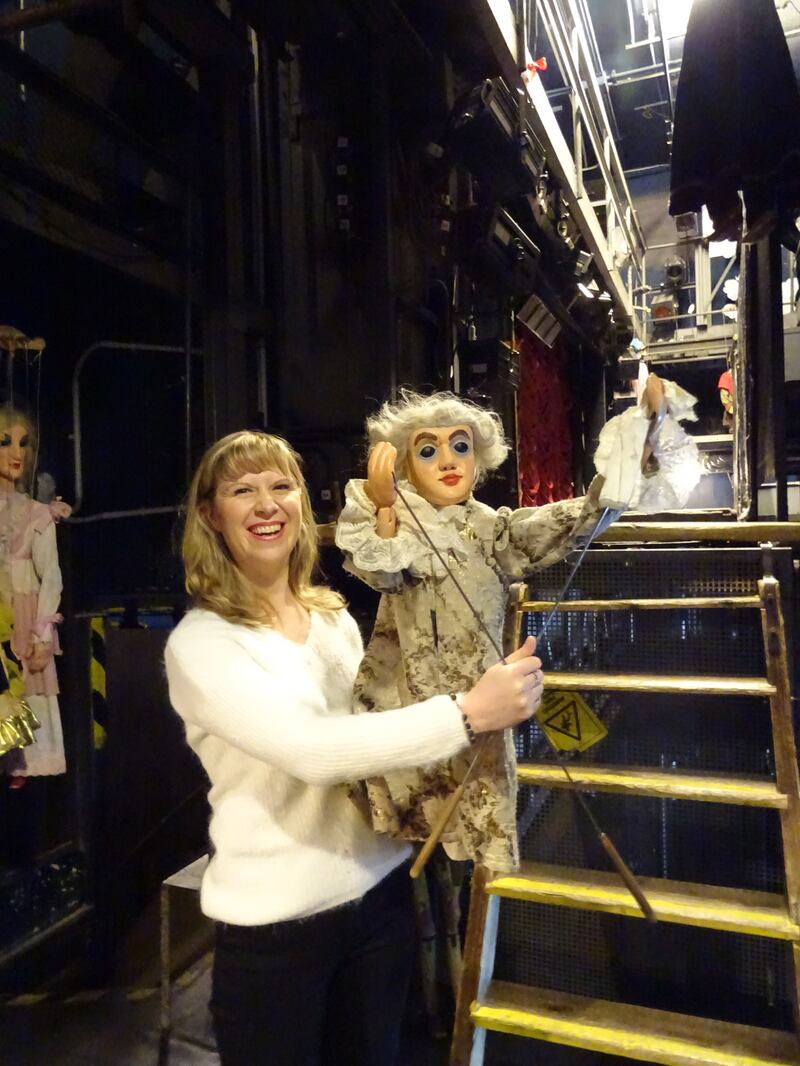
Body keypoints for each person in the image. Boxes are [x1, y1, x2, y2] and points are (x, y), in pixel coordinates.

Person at [164, 429, 543, 1066]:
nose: (266, 505)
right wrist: (468, 711)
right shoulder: (202, 646)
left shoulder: (334, 618)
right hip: (276, 930)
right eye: (242, 491)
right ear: (211, 515)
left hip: (382, 900)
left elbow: (380, 727)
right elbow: (312, 749)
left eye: (281, 487)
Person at [0, 406, 70, 786]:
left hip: (21, 626)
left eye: (24, 444)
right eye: (5, 442)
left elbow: (51, 578)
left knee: (20, 760)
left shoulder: (37, 515)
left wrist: (43, 635)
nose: (17, 452)